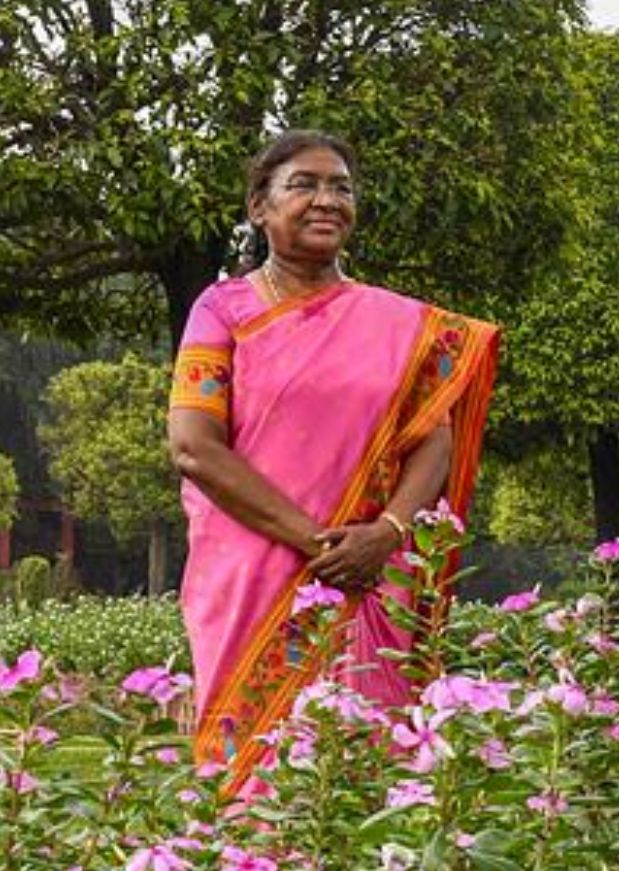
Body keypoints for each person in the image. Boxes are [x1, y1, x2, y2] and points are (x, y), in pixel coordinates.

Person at [167, 130, 500, 791]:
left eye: (341, 187)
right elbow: (193, 446)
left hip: (369, 578)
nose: (327, 200)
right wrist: (321, 544)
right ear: (260, 207)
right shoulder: (223, 309)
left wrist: (387, 534)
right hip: (255, 574)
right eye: (304, 185)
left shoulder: (400, 327)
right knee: (249, 775)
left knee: (365, 774)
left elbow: (431, 440)